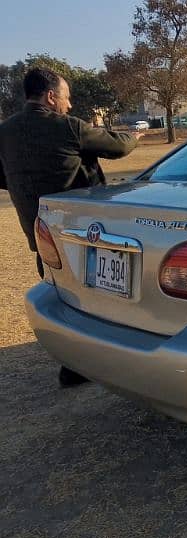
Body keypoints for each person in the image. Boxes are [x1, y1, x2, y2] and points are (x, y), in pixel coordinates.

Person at [0, 67, 142, 386]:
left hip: (40, 230)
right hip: (81, 229)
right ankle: (85, 362)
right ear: (50, 96)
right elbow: (118, 147)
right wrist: (134, 136)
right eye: (66, 96)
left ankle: (73, 364)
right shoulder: (67, 127)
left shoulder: (4, 132)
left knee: (61, 296)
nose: (69, 103)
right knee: (93, 298)